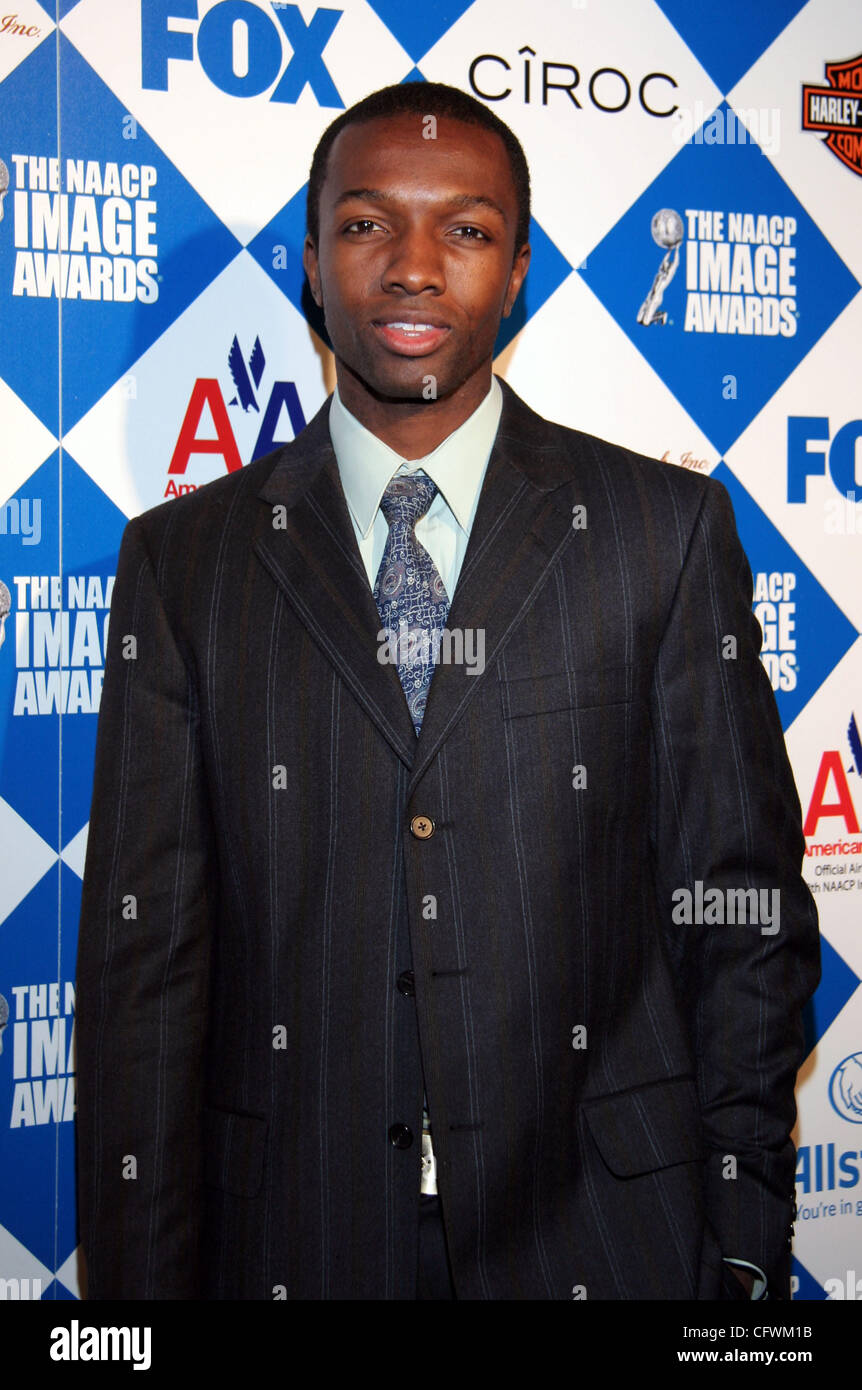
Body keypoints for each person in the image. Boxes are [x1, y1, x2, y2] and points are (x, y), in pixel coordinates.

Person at [75, 81, 820, 1301]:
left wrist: (740, 1244)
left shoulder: (658, 531)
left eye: (465, 230)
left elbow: (738, 909)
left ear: (517, 269)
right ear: (311, 263)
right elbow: (145, 975)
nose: (414, 268)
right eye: (367, 225)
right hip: (291, 1245)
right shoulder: (184, 564)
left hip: (609, 1239)